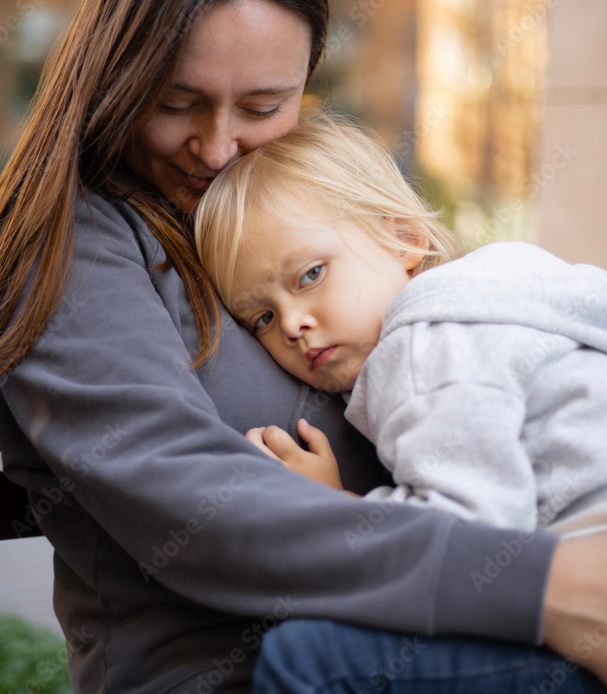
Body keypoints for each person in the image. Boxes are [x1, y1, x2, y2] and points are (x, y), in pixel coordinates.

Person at [0, 0, 607, 694]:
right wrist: (544, 587)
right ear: (116, 73)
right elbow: (192, 506)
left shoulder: (297, 219)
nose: (218, 147)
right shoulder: (79, 248)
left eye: (263, 105)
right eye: (177, 103)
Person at [193, 112, 607, 540]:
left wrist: (333, 507)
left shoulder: (417, 347)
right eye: (263, 318)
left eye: (311, 275)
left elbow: (472, 535)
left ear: (405, 238)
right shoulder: (498, 290)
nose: (292, 325)